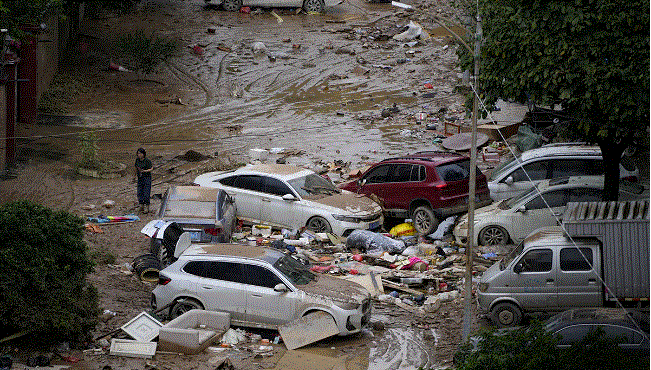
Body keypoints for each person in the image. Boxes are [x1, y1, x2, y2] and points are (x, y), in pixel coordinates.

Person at [134, 148, 153, 213]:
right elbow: (136, 168)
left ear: (143, 154)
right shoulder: (137, 160)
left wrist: (145, 171)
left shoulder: (147, 161)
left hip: (147, 177)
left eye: (140, 153)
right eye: (138, 153)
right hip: (140, 178)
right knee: (139, 192)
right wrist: (134, 176)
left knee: (146, 192)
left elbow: (151, 168)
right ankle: (141, 205)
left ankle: (147, 207)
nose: (139, 155)